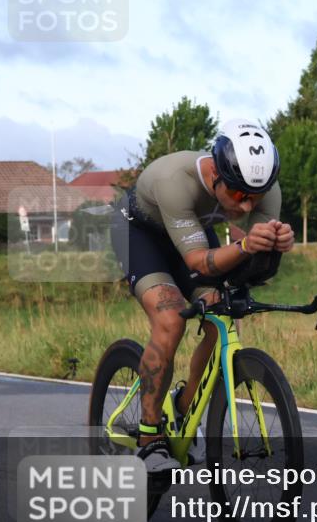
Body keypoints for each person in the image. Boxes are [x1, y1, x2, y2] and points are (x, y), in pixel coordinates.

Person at [110, 119, 295, 472]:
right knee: (170, 319)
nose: (246, 206)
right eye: (238, 195)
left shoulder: (264, 188)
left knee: (219, 315)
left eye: (255, 196)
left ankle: (183, 408)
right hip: (140, 235)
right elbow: (199, 260)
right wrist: (245, 244)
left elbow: (253, 257)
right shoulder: (175, 180)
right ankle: (149, 438)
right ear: (214, 174)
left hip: (193, 231)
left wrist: (278, 242)